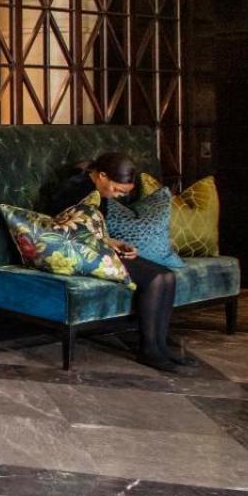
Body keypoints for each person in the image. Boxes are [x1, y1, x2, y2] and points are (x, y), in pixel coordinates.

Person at [47, 150, 188, 373]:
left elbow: (96, 230)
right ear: (102, 175)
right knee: (153, 279)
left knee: (167, 276)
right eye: (117, 189)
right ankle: (148, 350)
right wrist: (103, 244)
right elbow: (65, 228)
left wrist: (117, 243)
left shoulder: (98, 191)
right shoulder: (73, 190)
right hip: (76, 253)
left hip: (96, 247)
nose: (118, 196)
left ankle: (160, 346)